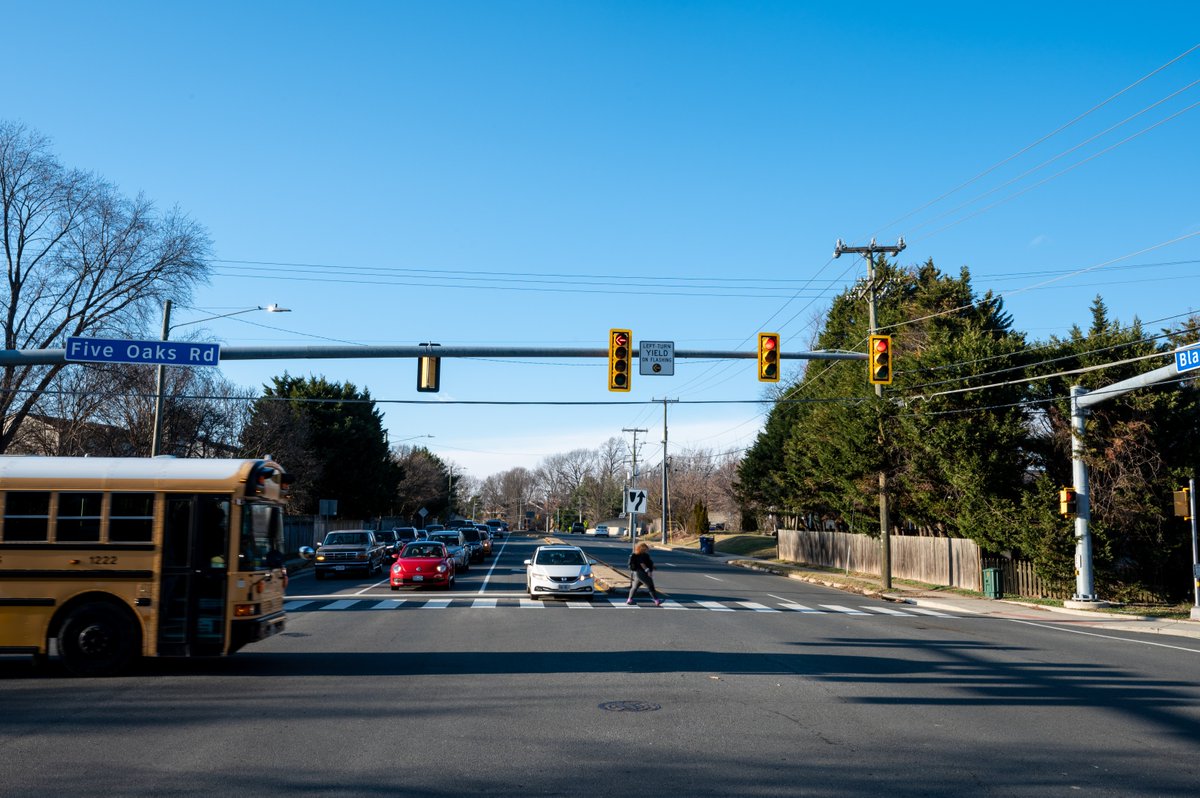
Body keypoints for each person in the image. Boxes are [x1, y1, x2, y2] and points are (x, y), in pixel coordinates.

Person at [627, 542, 663, 606]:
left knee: (635, 587)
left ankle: (629, 600)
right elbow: (642, 564)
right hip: (642, 573)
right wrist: (648, 571)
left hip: (637, 573)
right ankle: (657, 600)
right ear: (642, 548)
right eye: (646, 547)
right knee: (650, 586)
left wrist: (652, 567)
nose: (648, 549)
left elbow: (645, 563)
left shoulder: (637, 554)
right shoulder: (642, 555)